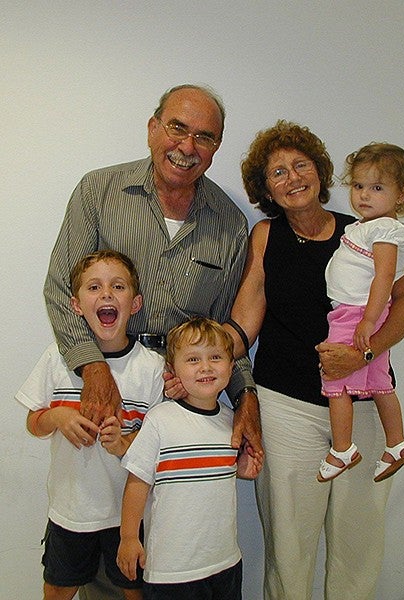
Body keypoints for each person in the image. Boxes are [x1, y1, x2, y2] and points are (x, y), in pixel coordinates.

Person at [43, 84, 262, 599]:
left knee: (153, 544)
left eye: (205, 136)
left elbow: (226, 331)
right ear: (153, 127)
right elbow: (60, 289)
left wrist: (246, 395)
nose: (187, 146)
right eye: (177, 127)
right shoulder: (98, 191)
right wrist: (93, 370)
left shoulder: (230, 224)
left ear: (217, 146)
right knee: (94, 525)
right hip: (108, 384)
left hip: (183, 401)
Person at [223, 121, 404, 600]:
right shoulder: (265, 236)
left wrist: (363, 353)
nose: (292, 177)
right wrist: (200, 361)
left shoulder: (367, 232)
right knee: (290, 548)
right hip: (286, 407)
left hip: (366, 405)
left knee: (358, 545)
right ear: (264, 187)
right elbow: (246, 317)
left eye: (300, 165)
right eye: (277, 172)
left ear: (320, 171)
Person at [16, 250, 165, 600]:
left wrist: (124, 442)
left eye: (118, 286)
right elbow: (33, 424)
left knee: (134, 591)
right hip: (71, 513)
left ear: (136, 302)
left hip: (127, 518)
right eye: (94, 287)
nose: (107, 295)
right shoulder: (57, 358)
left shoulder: (152, 368)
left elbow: (158, 443)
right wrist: (58, 417)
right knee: (56, 589)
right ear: (76, 305)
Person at [117, 317, 262, 600]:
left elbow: (219, 469)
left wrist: (242, 468)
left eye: (216, 358)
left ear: (231, 367)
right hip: (172, 572)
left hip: (225, 563)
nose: (206, 367)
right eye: (193, 359)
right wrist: (129, 537)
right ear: (172, 370)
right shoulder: (160, 420)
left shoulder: (231, 422)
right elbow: (137, 482)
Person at [318, 143, 404, 483]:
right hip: (356, 311)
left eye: (377, 188)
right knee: (380, 384)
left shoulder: (386, 230)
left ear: (401, 195)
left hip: (354, 313)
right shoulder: (366, 226)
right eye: (359, 186)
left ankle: (343, 448)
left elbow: (385, 277)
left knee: (334, 375)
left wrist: (368, 321)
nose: (364, 195)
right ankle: (397, 444)